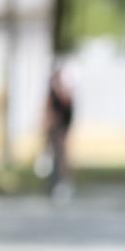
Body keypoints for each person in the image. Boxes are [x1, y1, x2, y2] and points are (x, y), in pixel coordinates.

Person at [41, 58, 75, 200]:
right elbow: (48, 111)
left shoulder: (63, 93)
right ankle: (53, 186)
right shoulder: (53, 94)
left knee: (62, 158)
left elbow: (68, 108)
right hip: (55, 129)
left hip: (62, 128)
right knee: (54, 158)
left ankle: (62, 185)